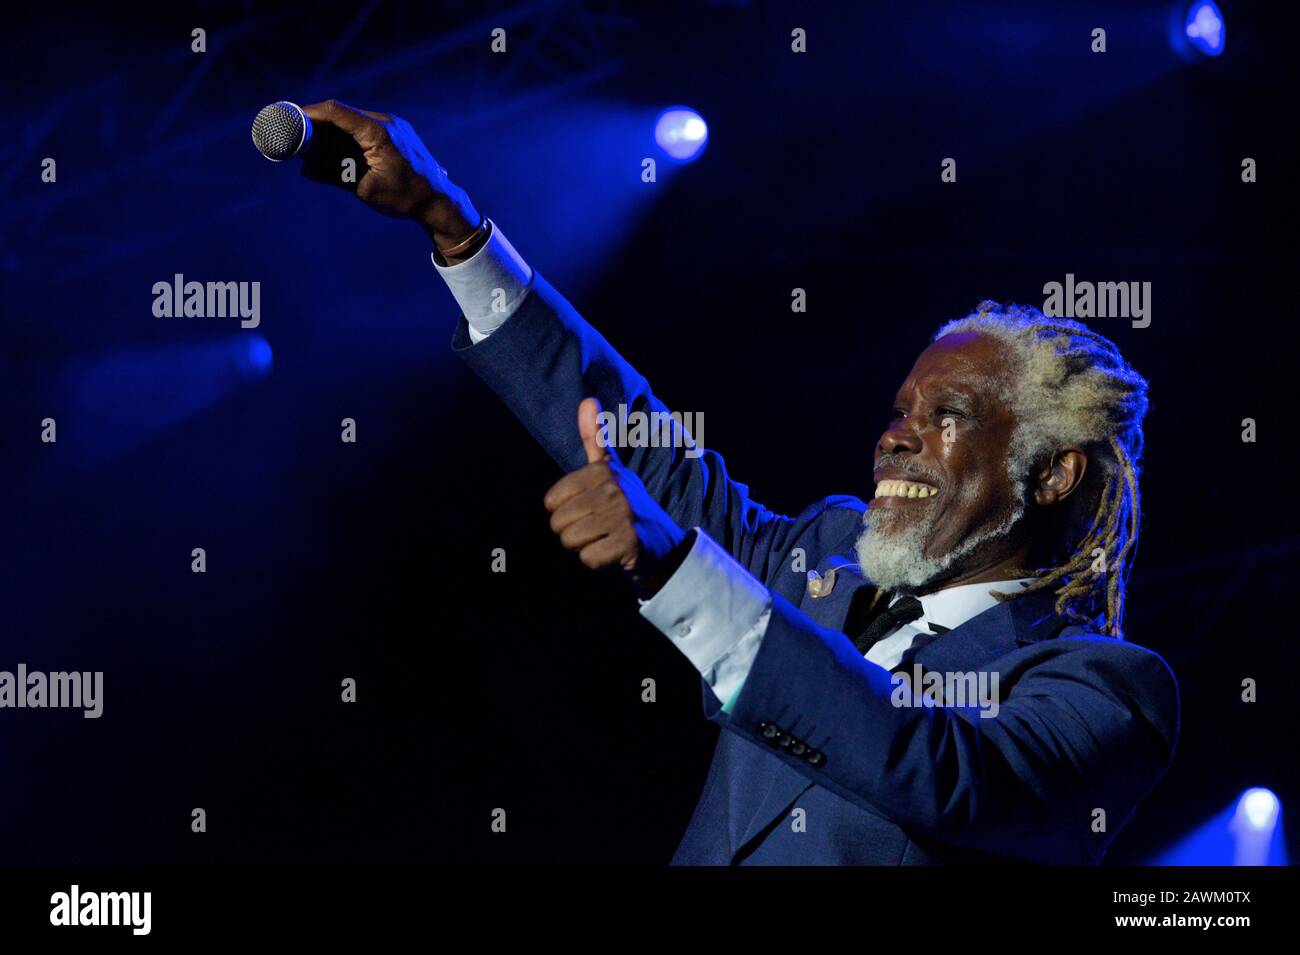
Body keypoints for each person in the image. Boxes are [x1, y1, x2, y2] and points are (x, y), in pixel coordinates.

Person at [298, 100, 1179, 865]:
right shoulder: (827, 556)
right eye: (901, 410)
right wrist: (453, 224)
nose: (897, 437)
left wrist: (679, 572)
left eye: (947, 415)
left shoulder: (1101, 687)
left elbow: (944, 771)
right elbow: (644, 452)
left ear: (1054, 473)